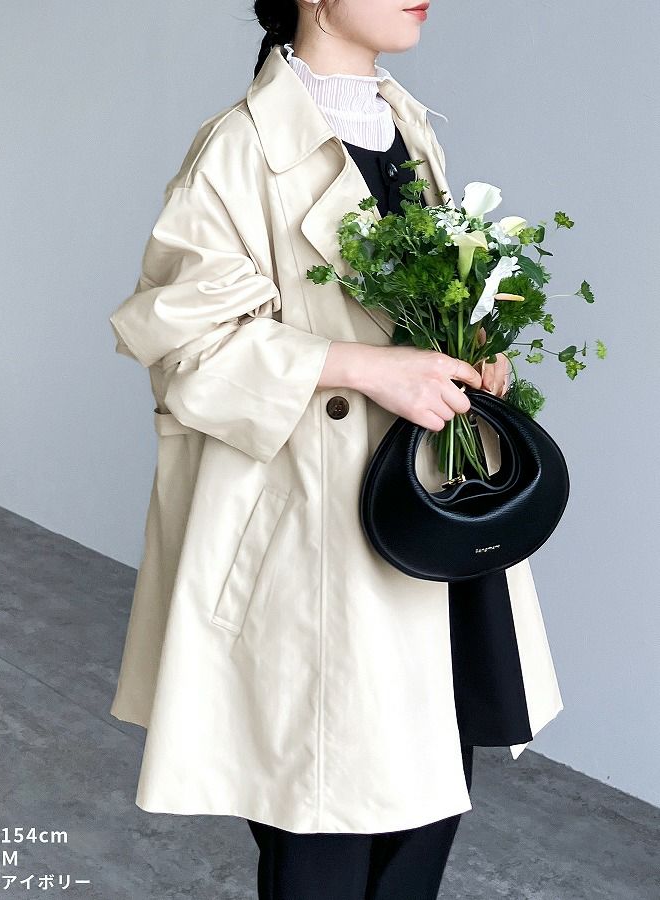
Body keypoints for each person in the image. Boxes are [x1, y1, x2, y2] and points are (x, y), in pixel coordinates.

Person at [107, 1, 564, 898]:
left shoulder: (406, 128)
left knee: (429, 808)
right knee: (325, 829)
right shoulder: (239, 148)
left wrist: (471, 349)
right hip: (317, 542)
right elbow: (186, 347)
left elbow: (412, 303)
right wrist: (368, 370)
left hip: (425, 515)